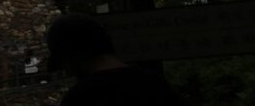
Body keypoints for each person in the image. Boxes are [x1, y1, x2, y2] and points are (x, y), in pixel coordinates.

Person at [47, 14, 183, 106]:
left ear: (73, 55)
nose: (66, 70)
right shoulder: (156, 84)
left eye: (63, 61)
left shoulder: (81, 97)